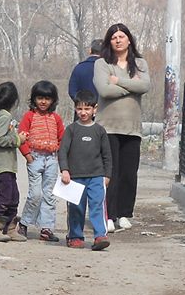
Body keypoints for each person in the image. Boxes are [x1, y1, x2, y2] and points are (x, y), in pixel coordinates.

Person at [92, 23, 151, 233]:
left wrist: (118, 81)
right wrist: (130, 86)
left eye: (121, 36)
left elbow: (144, 86)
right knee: (110, 173)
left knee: (129, 173)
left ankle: (125, 213)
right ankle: (109, 214)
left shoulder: (140, 63)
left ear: (129, 40)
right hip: (108, 127)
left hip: (132, 128)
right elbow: (104, 90)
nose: (118, 40)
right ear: (109, 41)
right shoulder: (102, 64)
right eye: (114, 37)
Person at [59, 89, 112, 251]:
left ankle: (100, 236)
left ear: (95, 109)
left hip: (96, 176)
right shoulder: (71, 130)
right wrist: (65, 170)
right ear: (75, 109)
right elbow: (62, 151)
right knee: (76, 208)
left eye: (87, 109)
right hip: (74, 177)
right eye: (80, 109)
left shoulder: (100, 131)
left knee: (97, 205)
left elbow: (107, 155)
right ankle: (75, 236)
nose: (83, 112)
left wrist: (107, 175)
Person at [17, 80, 65, 242]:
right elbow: (21, 138)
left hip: (51, 159)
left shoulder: (56, 118)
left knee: (49, 195)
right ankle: (24, 222)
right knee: (35, 194)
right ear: (34, 99)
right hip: (35, 158)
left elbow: (62, 138)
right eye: (39, 98)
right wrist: (28, 156)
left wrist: (59, 154)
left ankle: (47, 228)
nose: (43, 102)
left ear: (53, 100)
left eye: (47, 98)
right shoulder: (29, 116)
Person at [0, 81, 27, 243]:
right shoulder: (5, 116)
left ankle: (9, 227)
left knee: (13, 197)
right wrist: (18, 139)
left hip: (7, 167)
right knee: (4, 198)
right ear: (14, 100)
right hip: (1, 167)